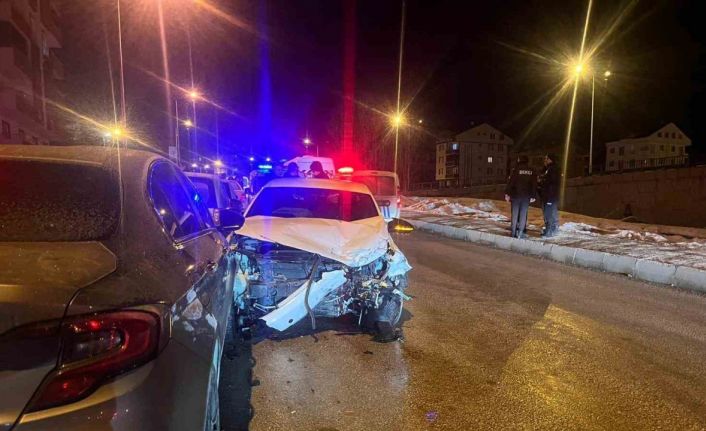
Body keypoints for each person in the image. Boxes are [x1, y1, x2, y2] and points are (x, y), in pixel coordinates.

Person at [505, 155, 537, 239]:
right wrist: (533, 195)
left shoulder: (516, 169)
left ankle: (513, 232)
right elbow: (534, 184)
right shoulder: (532, 170)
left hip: (515, 195)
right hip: (526, 196)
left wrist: (507, 193)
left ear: (519, 160)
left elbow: (511, 182)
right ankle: (520, 233)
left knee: (515, 214)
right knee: (523, 214)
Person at [537, 153, 561, 237]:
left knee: (549, 214)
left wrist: (541, 180)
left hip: (550, 196)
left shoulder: (553, 169)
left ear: (551, 160)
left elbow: (551, 182)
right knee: (547, 213)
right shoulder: (546, 169)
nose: (545, 160)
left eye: (547, 159)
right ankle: (550, 229)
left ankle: (550, 231)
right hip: (546, 195)